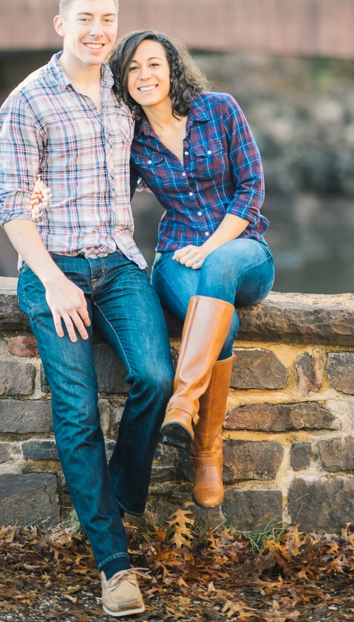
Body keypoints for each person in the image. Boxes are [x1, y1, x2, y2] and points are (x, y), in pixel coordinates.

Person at [0, 0, 174, 618]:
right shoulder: (28, 102)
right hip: (55, 270)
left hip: (121, 264)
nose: (98, 30)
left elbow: (175, 149)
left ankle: (118, 493)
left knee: (154, 376)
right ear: (59, 24)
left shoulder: (126, 98)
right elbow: (12, 206)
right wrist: (53, 279)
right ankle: (114, 564)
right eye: (86, 19)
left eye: (108, 19)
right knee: (76, 414)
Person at [108, 30, 273, 509]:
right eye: (133, 68)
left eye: (153, 64)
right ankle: (207, 456)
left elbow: (250, 189)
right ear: (124, 80)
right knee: (226, 324)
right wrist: (45, 197)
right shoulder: (134, 138)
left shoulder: (219, 109)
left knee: (220, 265)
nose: (144, 75)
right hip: (174, 258)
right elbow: (107, 193)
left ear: (172, 69)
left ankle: (182, 403)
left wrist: (211, 246)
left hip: (244, 250)